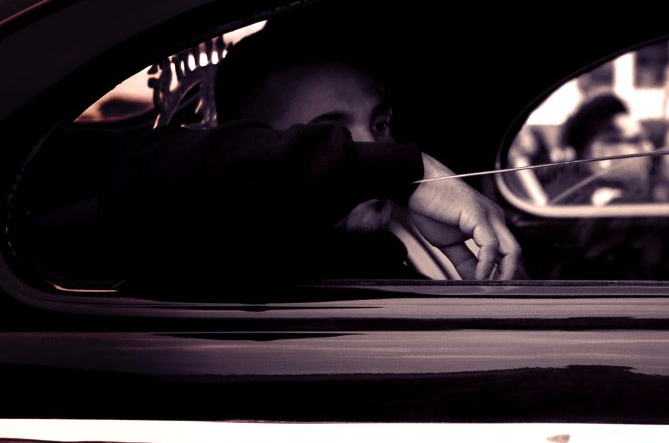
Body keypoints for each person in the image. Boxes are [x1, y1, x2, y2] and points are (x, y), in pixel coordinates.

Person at [101, 24, 521, 290]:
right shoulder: (224, 261)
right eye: (329, 133)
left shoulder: (388, 254)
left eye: (379, 124)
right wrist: (410, 170)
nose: (375, 149)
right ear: (257, 144)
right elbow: (144, 181)